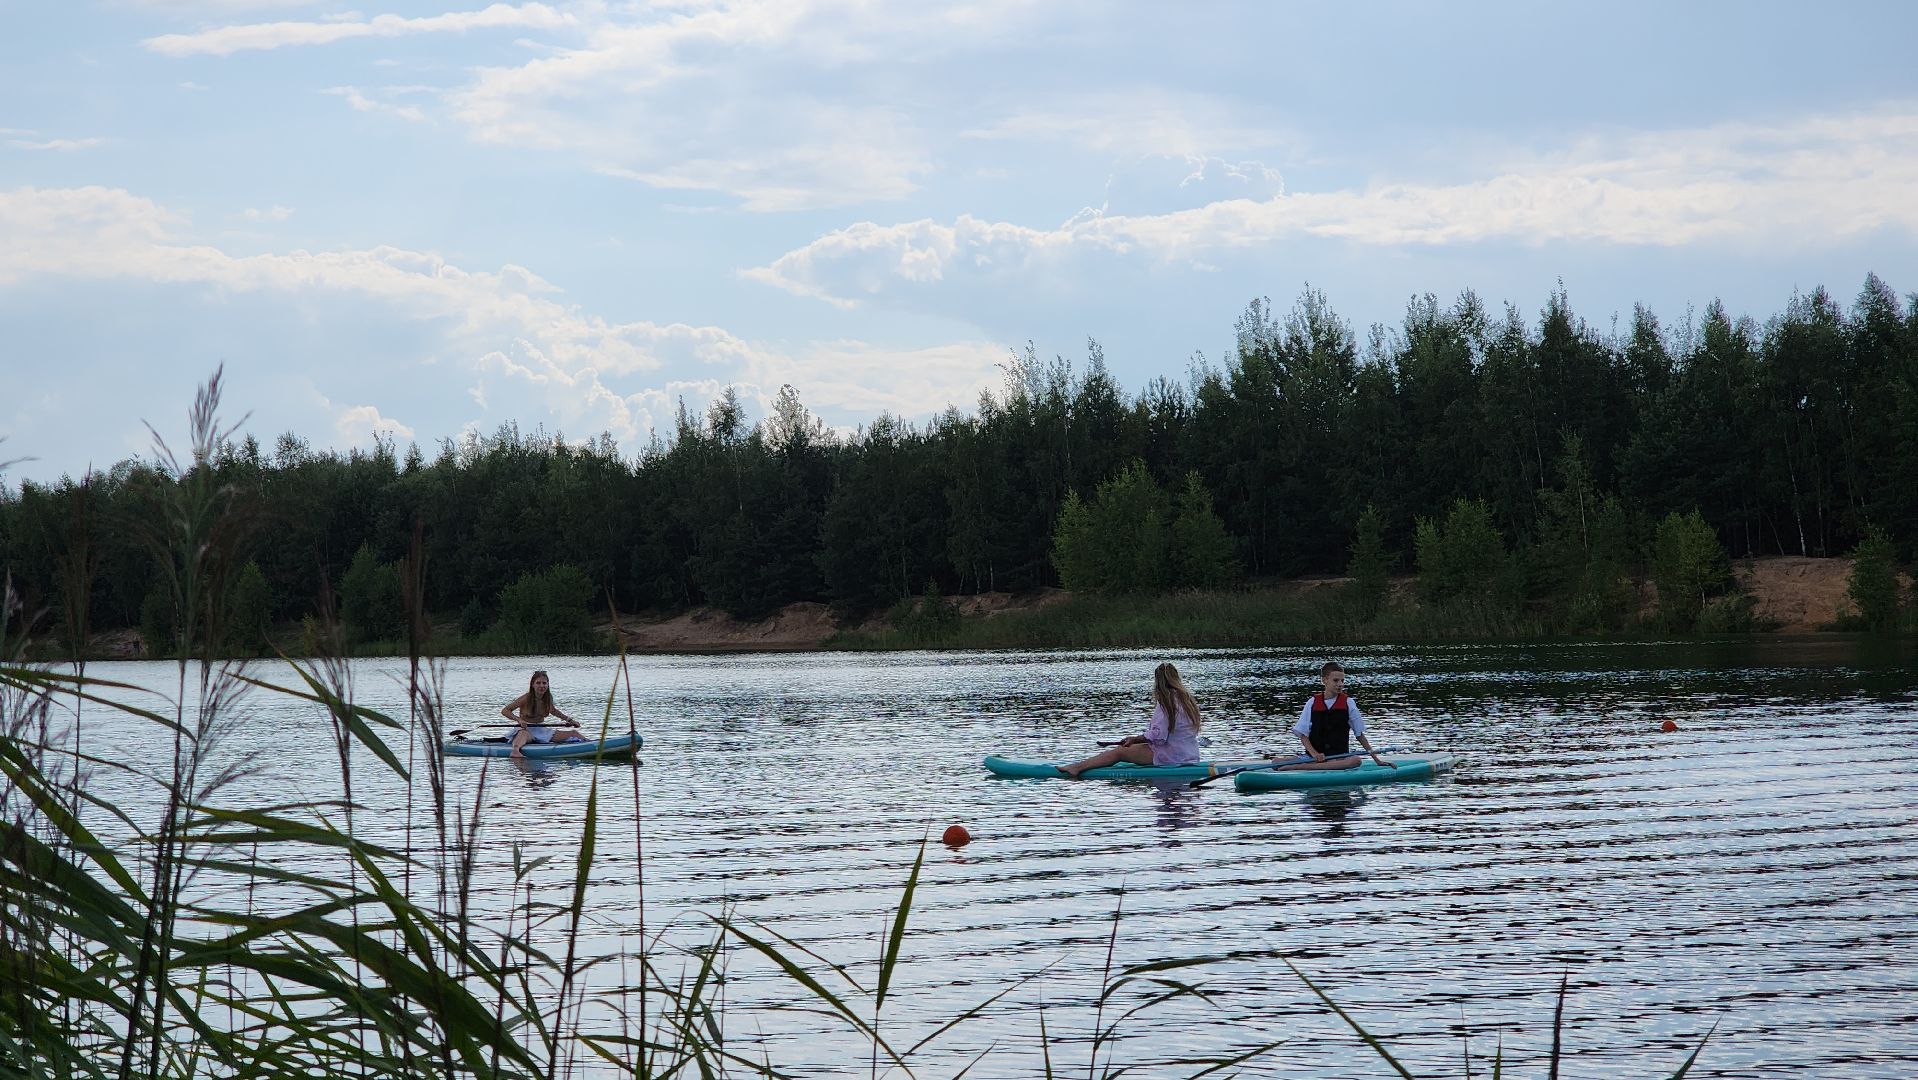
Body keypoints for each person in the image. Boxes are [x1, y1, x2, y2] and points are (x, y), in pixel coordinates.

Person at [1058, 663, 1204, 778]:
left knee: (1119, 752)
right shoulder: (1187, 699)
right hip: (1190, 755)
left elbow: (1159, 736)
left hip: (1171, 756)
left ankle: (1076, 768)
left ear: (1158, 681)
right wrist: (1139, 740)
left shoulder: (1166, 702)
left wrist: (1134, 739)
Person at [1279, 662, 1396, 772]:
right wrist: (1314, 754)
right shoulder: (1312, 702)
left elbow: (1360, 735)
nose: (1340, 684)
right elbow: (1303, 735)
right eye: (1336, 680)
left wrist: (1377, 760)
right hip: (1313, 757)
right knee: (1276, 762)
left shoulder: (1348, 703)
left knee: (1355, 760)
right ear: (1324, 680)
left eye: (1342, 680)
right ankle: (1311, 764)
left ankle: (1305, 767)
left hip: (1338, 758)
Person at [502, 670, 583, 758]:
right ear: (533, 685)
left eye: (544, 683)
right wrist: (519, 720)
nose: (542, 686)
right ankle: (515, 751)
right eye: (538, 683)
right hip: (526, 729)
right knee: (523, 734)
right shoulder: (526, 698)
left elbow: (553, 711)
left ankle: (594, 746)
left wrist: (570, 720)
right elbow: (505, 710)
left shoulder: (548, 697)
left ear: (548, 684)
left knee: (574, 733)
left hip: (541, 729)